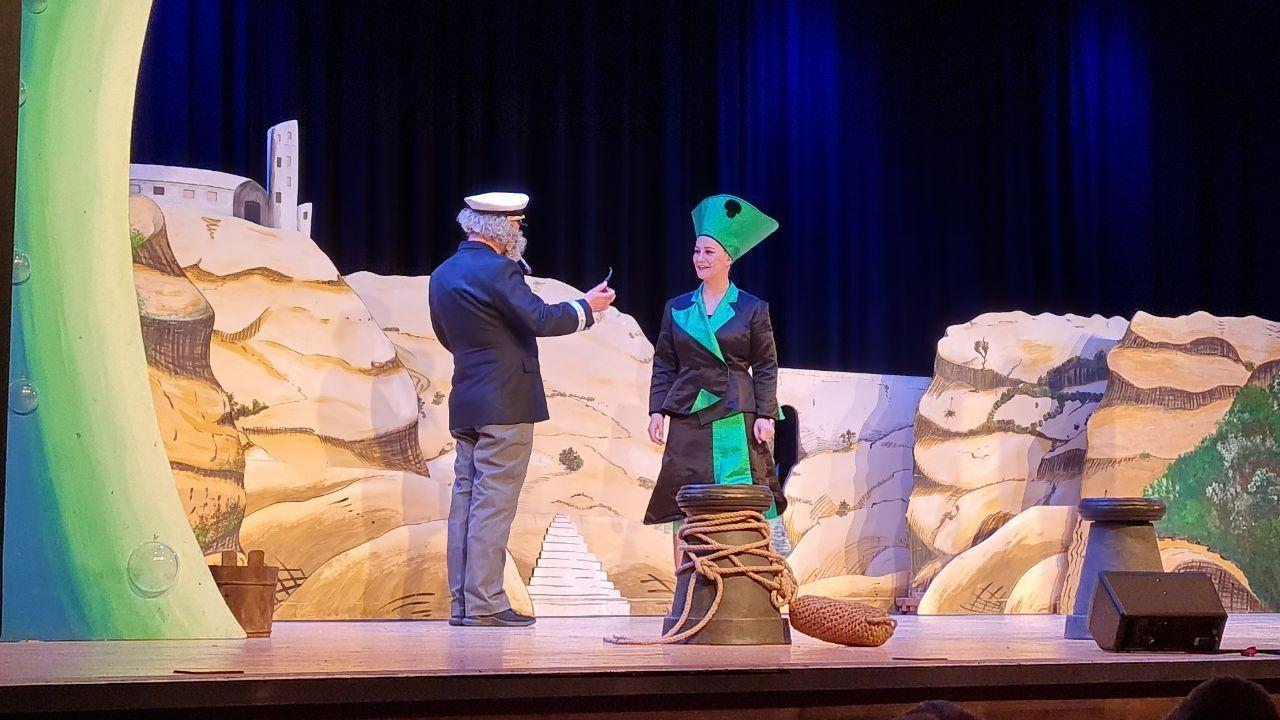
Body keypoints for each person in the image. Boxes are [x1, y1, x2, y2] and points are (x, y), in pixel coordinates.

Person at [429, 191, 616, 627]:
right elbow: (541, 319)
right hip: (506, 403)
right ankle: (485, 603)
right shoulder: (499, 270)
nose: (519, 233)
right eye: (517, 225)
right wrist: (587, 308)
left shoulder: (442, 274)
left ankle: (463, 603)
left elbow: (445, 336)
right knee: (492, 504)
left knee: (466, 502)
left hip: (467, 402)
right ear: (502, 228)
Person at [644, 194, 786, 544]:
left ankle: (738, 568)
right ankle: (686, 576)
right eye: (697, 251)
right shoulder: (677, 308)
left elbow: (765, 365)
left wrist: (766, 415)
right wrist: (657, 410)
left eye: (709, 252)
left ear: (728, 258)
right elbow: (664, 363)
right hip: (688, 411)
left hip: (734, 411)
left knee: (736, 495)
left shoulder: (751, 308)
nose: (700, 258)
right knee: (685, 498)